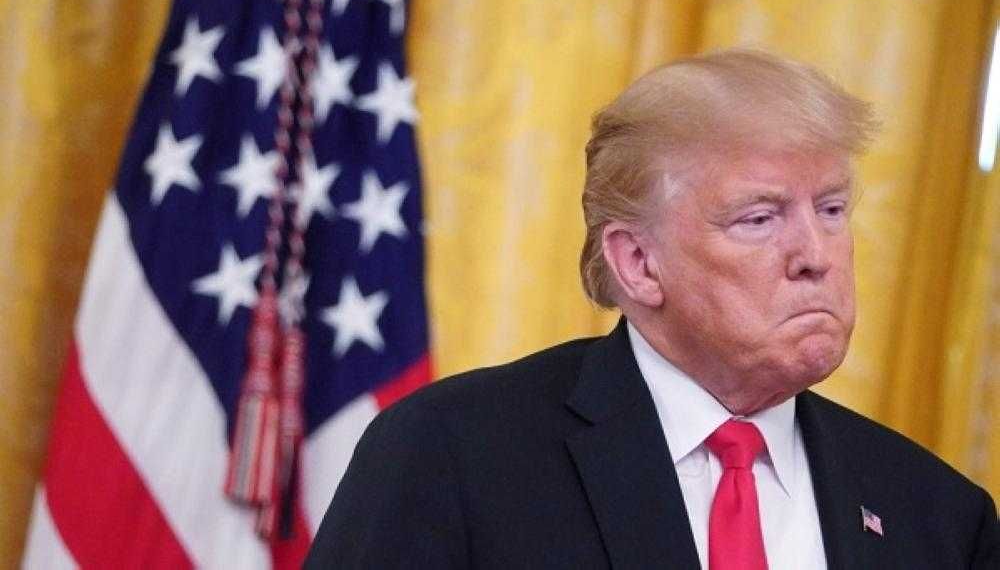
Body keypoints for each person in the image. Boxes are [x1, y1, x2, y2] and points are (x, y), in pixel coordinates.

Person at [305, 49, 999, 569]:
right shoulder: (454, 452)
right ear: (638, 262)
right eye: (759, 218)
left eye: (832, 209)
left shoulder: (938, 516)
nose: (816, 255)